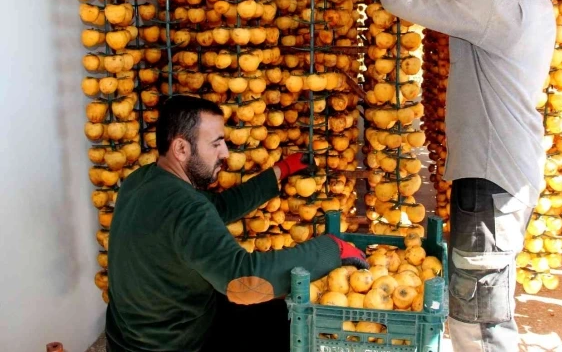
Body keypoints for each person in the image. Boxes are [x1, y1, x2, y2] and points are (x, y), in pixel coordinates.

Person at [369, 0, 555, 352]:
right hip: (508, 171)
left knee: (479, 319)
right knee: (487, 297)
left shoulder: (494, 1)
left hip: (492, 180)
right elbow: (471, 22)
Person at [105, 95, 368, 352]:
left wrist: (280, 171)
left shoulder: (140, 180)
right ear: (181, 148)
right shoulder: (186, 208)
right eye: (216, 144)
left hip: (128, 337)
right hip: (176, 342)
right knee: (280, 316)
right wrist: (331, 249)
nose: (226, 153)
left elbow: (216, 208)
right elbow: (245, 282)